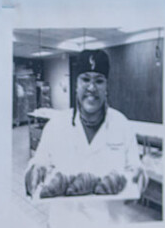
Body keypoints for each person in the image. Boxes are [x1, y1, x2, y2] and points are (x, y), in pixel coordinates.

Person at [22, 49, 141, 197]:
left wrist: (136, 180)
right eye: (85, 79)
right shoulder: (55, 125)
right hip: (66, 219)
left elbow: (135, 170)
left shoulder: (122, 125)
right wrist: (34, 172)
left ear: (106, 87)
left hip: (111, 219)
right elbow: (38, 162)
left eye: (99, 81)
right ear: (76, 85)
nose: (92, 88)